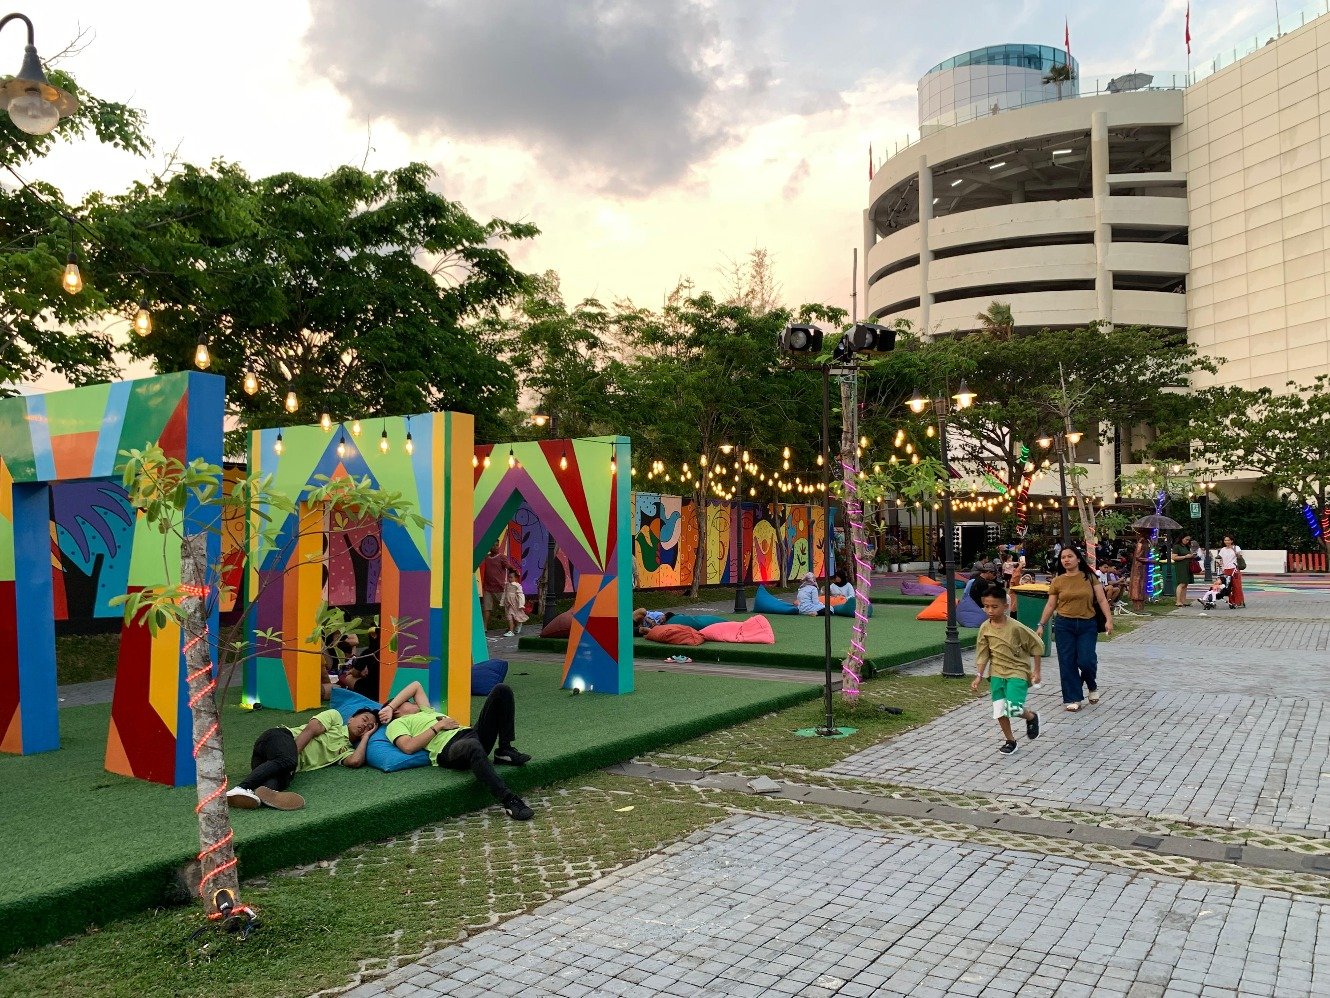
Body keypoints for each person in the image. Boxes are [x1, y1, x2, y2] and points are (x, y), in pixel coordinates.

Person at [386, 683, 535, 821]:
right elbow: (408, 747)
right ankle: (509, 800)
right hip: (450, 748)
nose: (413, 702)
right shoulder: (396, 724)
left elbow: (416, 685)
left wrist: (391, 705)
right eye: (408, 702)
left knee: (501, 690)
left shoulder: (425, 710)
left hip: (470, 733)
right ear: (397, 710)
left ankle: (504, 749)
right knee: (472, 745)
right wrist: (439, 726)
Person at [227, 707, 379, 811]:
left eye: (369, 727)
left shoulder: (346, 751)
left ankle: (252, 795)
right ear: (351, 718)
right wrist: (291, 759)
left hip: (270, 765)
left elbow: (355, 761)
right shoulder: (335, 718)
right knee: (287, 762)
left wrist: (366, 737)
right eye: (364, 719)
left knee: (275, 783)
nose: (364, 725)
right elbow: (310, 730)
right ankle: (240, 788)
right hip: (278, 739)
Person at [1037, 547, 1113, 712]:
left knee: (1087, 661)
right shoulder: (1058, 581)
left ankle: (1091, 685)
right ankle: (1073, 698)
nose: (1066, 560)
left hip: (1087, 624)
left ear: (1078, 559)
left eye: (1070, 556)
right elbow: (1051, 605)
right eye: (1063, 557)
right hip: (1064, 625)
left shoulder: (1090, 577)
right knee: (1067, 663)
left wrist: (1109, 619)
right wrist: (1041, 624)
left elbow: (1101, 599)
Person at [970, 588, 1042, 755]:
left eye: (994, 607)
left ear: (1005, 606)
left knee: (1014, 708)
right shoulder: (984, 628)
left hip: (1017, 671)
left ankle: (1031, 717)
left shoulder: (1016, 627)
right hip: (996, 674)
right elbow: (983, 653)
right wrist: (979, 676)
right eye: (986, 606)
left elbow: (1037, 645)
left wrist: (1037, 671)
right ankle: (1010, 741)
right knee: (999, 709)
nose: (990, 611)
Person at [480, 543, 519, 631]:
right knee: (486, 608)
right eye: (493, 545)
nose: (495, 547)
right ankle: (484, 627)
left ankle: (515, 625)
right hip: (488, 588)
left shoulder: (501, 557)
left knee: (508, 607)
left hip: (500, 588)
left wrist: (514, 571)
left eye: (497, 545)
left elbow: (508, 566)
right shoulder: (486, 557)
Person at [1217, 535, 1246, 608]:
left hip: (1234, 569)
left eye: (1228, 540)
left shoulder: (1236, 548)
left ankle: (1239, 602)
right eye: (1225, 540)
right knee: (1228, 587)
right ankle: (1232, 602)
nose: (1227, 542)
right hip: (1226, 569)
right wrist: (1220, 564)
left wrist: (1237, 554)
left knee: (1236, 586)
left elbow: (1240, 555)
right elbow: (1220, 559)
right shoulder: (1223, 549)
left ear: (1232, 541)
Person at [501, 568, 529, 637]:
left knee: (510, 615)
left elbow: (521, 595)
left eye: (511, 577)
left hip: (514, 604)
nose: (509, 579)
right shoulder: (507, 585)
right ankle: (516, 625)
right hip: (508, 603)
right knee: (510, 616)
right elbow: (504, 594)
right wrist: (502, 602)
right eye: (509, 577)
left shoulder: (517, 586)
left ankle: (511, 631)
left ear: (516, 578)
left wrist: (521, 604)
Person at [1128, 530, 1150, 612]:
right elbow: (1138, 557)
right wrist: (1149, 560)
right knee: (1138, 586)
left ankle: (1140, 607)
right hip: (1139, 569)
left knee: (1142, 586)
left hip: (1143, 568)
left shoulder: (1146, 543)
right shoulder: (1140, 544)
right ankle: (1137, 607)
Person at [1170, 533, 1196, 607]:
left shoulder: (1186, 547)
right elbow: (1174, 557)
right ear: (1182, 538)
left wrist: (1191, 556)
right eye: (1186, 539)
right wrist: (1185, 557)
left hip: (1187, 566)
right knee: (1182, 583)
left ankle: (1183, 601)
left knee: (1186, 584)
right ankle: (1178, 601)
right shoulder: (1177, 547)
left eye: (1188, 540)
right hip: (1181, 566)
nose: (1187, 541)